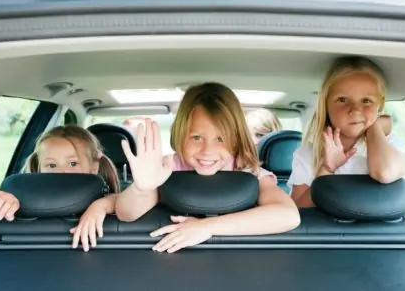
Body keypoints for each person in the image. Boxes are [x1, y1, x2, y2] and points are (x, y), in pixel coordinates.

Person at [115, 82, 300, 253]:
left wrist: (207, 226)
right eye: (196, 138)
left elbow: (288, 215)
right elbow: (126, 214)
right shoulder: (167, 168)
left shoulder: (249, 171)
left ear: (236, 139)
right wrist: (142, 189)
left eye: (221, 139)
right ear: (180, 135)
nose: (207, 151)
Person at [0, 125, 120, 252]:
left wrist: (100, 206)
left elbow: (118, 200)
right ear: (39, 168)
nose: (62, 172)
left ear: (94, 167)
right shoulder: (19, 199)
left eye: (73, 164)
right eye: (51, 165)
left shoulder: (103, 200)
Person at [288, 56, 405, 208]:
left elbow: (385, 173)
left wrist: (375, 128)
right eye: (342, 100)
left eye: (366, 101)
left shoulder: (391, 144)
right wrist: (326, 169)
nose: (355, 110)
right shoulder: (308, 154)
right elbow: (298, 210)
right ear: (325, 104)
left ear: (380, 104)